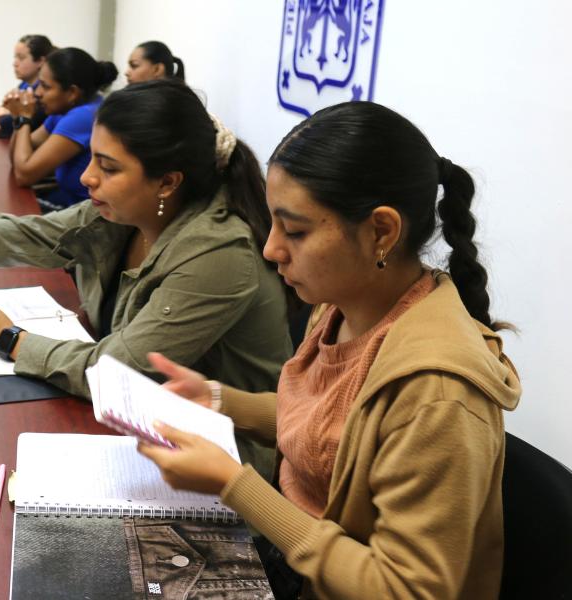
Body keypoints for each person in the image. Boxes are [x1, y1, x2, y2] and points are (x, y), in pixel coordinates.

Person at [138, 101, 521, 599]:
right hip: (289, 564)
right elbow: (331, 430)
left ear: (381, 232)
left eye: (294, 230)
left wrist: (235, 485)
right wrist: (217, 400)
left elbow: (407, 589)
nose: (272, 249)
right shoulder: (341, 304)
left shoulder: (437, 394)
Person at [0, 80, 292, 458]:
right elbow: (38, 234)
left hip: (222, 463)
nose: (87, 178)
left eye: (108, 167)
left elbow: (120, 371)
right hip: (147, 425)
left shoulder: (218, 253)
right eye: (91, 158)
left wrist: (9, 338)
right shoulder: (128, 212)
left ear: (167, 182)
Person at [4, 47, 118, 211]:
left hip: (89, 215)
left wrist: (24, 118)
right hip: (70, 205)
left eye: (45, 86)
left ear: (72, 92)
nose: (37, 92)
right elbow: (18, 157)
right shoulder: (65, 110)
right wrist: (18, 118)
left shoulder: (84, 116)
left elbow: (24, 175)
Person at [0, 34, 54, 134]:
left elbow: (7, 123)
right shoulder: (24, 85)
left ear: (41, 61)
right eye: (15, 57)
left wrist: (7, 115)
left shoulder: (42, 93)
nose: (15, 63)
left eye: (21, 58)